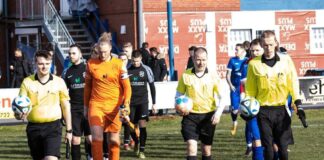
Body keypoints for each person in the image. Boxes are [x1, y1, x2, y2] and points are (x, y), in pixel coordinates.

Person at [245, 30, 306, 160]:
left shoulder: (286, 60)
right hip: (263, 111)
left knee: (283, 149)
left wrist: (298, 103)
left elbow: (293, 82)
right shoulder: (253, 64)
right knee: (268, 148)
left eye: (271, 44)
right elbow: (250, 90)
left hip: (281, 110)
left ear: (276, 43)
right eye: (265, 45)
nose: (268, 48)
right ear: (261, 44)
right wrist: (247, 108)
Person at [15, 50, 72, 160]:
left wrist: (69, 130)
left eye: (47, 64)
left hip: (53, 127)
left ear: (51, 64)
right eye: (41, 64)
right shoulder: (27, 82)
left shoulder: (59, 82)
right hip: (34, 128)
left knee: (51, 158)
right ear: (35, 64)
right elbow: (19, 106)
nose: (44, 67)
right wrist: (19, 115)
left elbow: (66, 107)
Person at [84, 32, 132, 160]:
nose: (103, 54)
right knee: (97, 138)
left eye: (105, 51)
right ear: (97, 49)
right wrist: (85, 106)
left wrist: (126, 104)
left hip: (114, 106)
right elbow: (88, 87)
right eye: (100, 51)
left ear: (110, 49)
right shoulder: (91, 64)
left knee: (113, 140)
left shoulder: (119, 64)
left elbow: (127, 86)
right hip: (96, 105)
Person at [176, 47, 225, 160]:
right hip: (190, 116)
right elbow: (178, 95)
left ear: (207, 60)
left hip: (208, 116)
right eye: (198, 59)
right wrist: (180, 107)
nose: (201, 62)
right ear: (193, 59)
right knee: (191, 147)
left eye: (203, 60)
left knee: (206, 150)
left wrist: (217, 114)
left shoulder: (213, 76)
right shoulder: (186, 75)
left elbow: (222, 97)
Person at [63, 44, 92, 160]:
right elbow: (63, 94)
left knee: (90, 139)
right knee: (75, 139)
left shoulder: (88, 68)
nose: (71, 56)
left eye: (74, 53)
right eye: (70, 53)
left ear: (80, 54)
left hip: (89, 108)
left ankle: (92, 156)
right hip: (74, 110)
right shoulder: (66, 72)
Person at [127, 50, 157, 159]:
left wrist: (154, 103)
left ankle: (142, 150)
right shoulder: (127, 70)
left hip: (143, 102)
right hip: (130, 103)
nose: (136, 63)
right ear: (131, 60)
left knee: (142, 125)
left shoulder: (146, 69)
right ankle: (136, 141)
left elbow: (152, 86)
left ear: (141, 59)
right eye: (134, 61)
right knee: (130, 126)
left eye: (137, 61)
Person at [240, 38, 264, 159]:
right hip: (252, 105)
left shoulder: (270, 63)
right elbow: (243, 82)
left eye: (257, 50)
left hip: (268, 107)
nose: (254, 53)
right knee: (257, 139)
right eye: (252, 51)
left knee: (272, 142)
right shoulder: (248, 64)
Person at [226, 43, 248, 136]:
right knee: (234, 110)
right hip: (235, 88)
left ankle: (249, 125)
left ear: (243, 51)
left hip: (245, 89)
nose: (235, 51)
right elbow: (227, 75)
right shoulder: (232, 60)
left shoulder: (247, 61)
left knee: (246, 108)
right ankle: (234, 122)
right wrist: (230, 85)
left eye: (237, 50)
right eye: (235, 49)